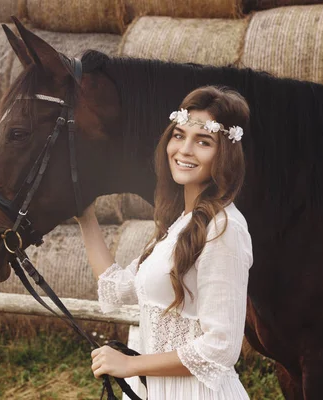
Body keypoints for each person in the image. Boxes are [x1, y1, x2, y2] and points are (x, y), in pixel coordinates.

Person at [75, 86, 253, 399]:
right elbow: (117, 287)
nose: (184, 149)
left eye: (203, 141)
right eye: (178, 135)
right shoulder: (179, 225)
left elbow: (220, 347)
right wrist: (84, 216)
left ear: (224, 153)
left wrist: (132, 365)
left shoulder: (225, 229)